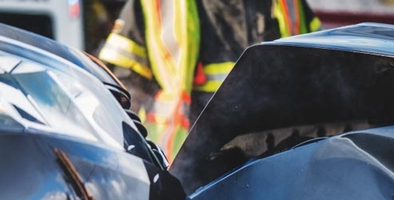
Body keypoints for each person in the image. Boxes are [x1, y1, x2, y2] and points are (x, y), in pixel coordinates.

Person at [97, 0, 321, 160]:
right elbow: (122, 88)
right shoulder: (157, 4)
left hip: (276, 155)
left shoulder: (287, 4)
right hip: (187, 160)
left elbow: (321, 68)